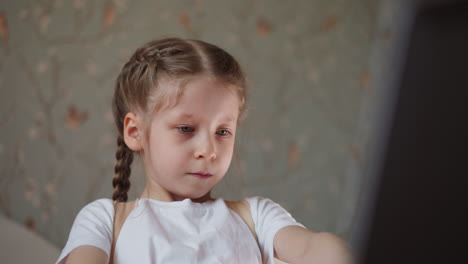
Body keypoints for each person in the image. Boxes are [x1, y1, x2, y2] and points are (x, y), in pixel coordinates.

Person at [56, 37, 353, 264]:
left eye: (223, 132)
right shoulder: (106, 220)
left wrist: (336, 249)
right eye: (186, 129)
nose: (209, 150)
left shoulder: (256, 217)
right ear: (135, 132)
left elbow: (311, 248)